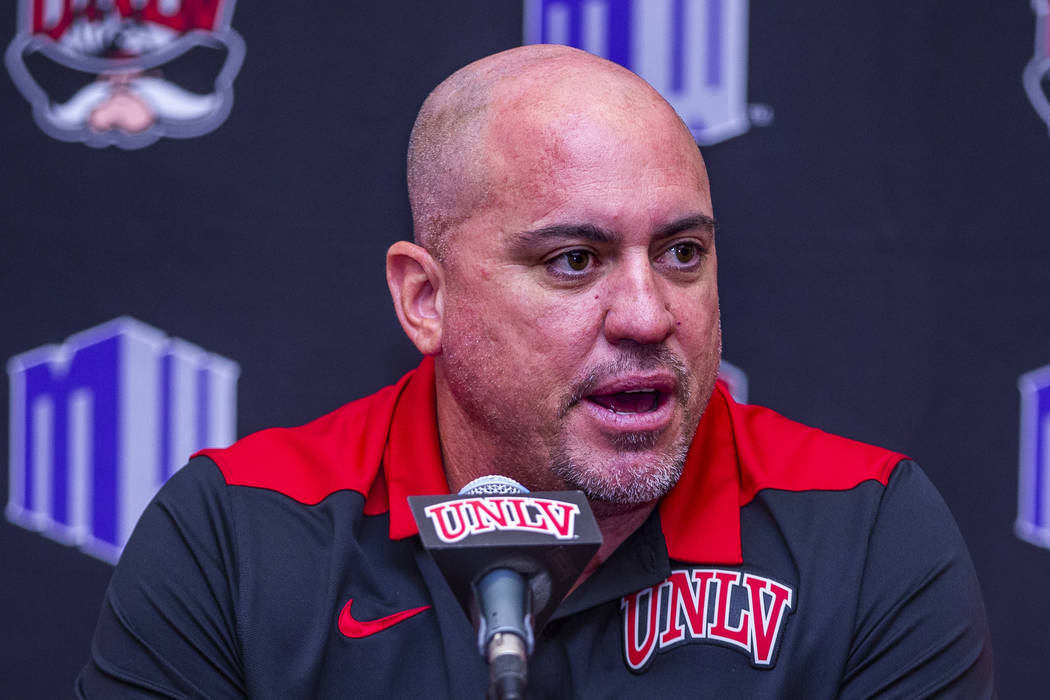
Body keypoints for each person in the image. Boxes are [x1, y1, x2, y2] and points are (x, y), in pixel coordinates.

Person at [76, 45, 995, 698]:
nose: (647, 315)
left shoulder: (866, 531)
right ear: (423, 299)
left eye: (681, 253)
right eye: (573, 262)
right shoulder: (236, 537)